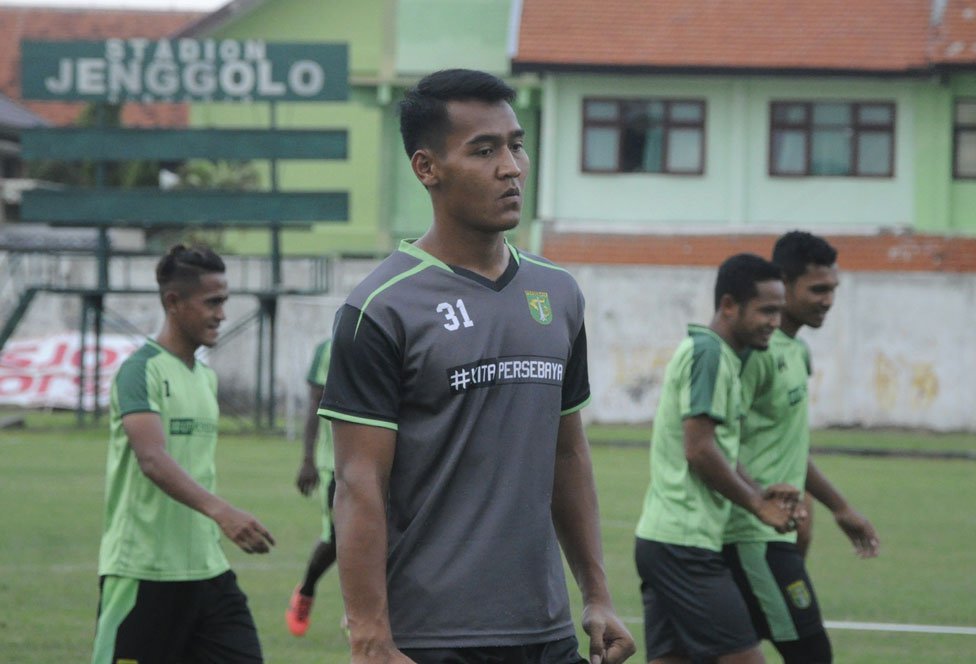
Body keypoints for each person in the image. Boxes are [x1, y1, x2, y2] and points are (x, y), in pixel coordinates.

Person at [318, 69, 636, 664]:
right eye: (484, 150)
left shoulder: (559, 293)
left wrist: (596, 594)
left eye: (516, 144)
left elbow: (567, 453)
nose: (511, 167)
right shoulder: (381, 307)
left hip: (545, 633)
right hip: (432, 639)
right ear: (426, 168)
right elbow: (359, 482)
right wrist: (369, 635)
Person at [91, 244, 275, 664]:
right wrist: (222, 512)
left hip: (207, 572)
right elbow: (152, 459)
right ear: (173, 302)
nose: (222, 314)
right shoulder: (141, 372)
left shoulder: (204, 377)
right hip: (144, 570)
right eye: (212, 302)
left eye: (225, 301)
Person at [635, 253, 802, 664]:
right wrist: (757, 505)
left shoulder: (723, 357)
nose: (775, 322)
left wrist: (759, 490)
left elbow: (718, 448)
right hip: (683, 544)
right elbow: (700, 450)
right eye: (767, 310)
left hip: (668, 539)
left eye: (780, 312)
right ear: (729, 305)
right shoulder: (708, 354)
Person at [722, 231, 880, 663]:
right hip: (751, 533)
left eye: (833, 289)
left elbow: (792, 446)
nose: (828, 299)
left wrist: (839, 507)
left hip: (779, 531)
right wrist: (758, 500)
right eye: (818, 289)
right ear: (784, 285)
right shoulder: (755, 355)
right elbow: (717, 444)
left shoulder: (798, 353)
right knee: (812, 654)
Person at [285, 336, 339, 636]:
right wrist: (307, 459)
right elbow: (315, 403)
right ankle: (306, 591)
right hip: (336, 464)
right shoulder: (329, 348)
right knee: (338, 538)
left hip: (389, 461)